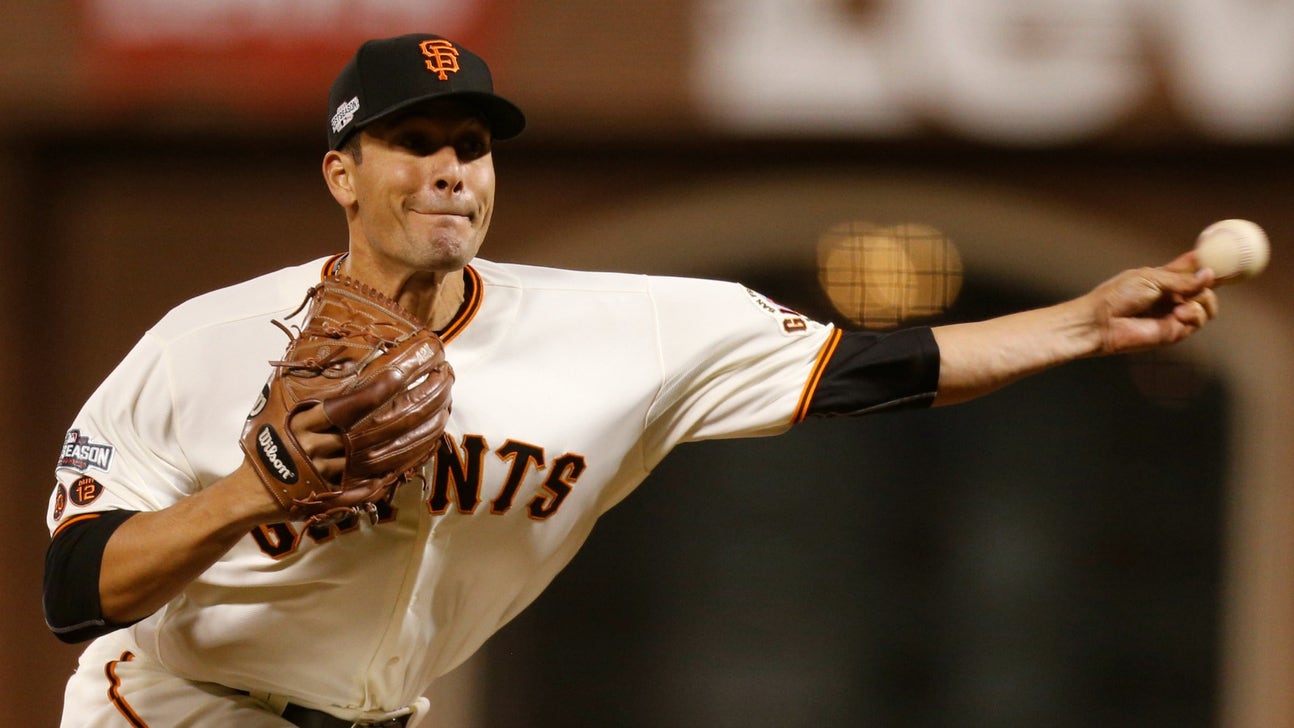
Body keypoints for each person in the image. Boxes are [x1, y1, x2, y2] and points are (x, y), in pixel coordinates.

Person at [43, 32, 1218, 728]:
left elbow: (878, 367)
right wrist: (248, 492)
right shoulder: (207, 340)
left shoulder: (620, 328)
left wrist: (1082, 322)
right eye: (416, 142)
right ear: (342, 173)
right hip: (167, 712)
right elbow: (75, 589)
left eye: (472, 145)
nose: (451, 169)